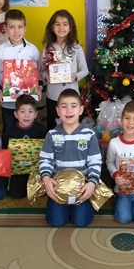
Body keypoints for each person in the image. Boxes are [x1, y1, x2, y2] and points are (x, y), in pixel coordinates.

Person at [39, 88, 101, 227]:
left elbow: (95, 162)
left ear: (80, 110)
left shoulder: (89, 135)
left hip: (81, 187)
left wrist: (92, 183)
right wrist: (46, 179)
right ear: (57, 111)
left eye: (73, 106)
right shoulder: (52, 135)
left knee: (81, 221)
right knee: (55, 221)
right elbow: (45, 160)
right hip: (58, 187)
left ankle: (82, 206)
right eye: (64, 106)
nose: (68, 111)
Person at [0, 9, 42, 144]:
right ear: (5, 28)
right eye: (12, 27)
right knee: (9, 132)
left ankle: (30, 156)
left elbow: (39, 72)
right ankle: (8, 156)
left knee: (29, 132)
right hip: (8, 103)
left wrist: (40, 87)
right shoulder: (0, 51)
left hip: (28, 103)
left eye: (19, 27)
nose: (16, 31)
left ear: (25, 28)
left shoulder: (33, 50)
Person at [42, 10, 89, 130]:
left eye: (65, 24)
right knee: (53, 126)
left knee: (71, 126)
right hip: (53, 95)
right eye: (57, 24)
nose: (61, 28)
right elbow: (42, 70)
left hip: (71, 96)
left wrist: (75, 76)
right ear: (52, 27)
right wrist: (46, 76)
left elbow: (85, 70)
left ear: (70, 27)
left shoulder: (76, 47)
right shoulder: (48, 48)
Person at [4, 94, 47, 198]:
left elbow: (47, 152)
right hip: (18, 170)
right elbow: (5, 152)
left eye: (30, 111)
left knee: (39, 193)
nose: (26, 115)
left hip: (36, 170)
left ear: (35, 114)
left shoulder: (41, 129)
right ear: (16, 114)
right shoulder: (10, 131)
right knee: (15, 194)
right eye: (22, 112)